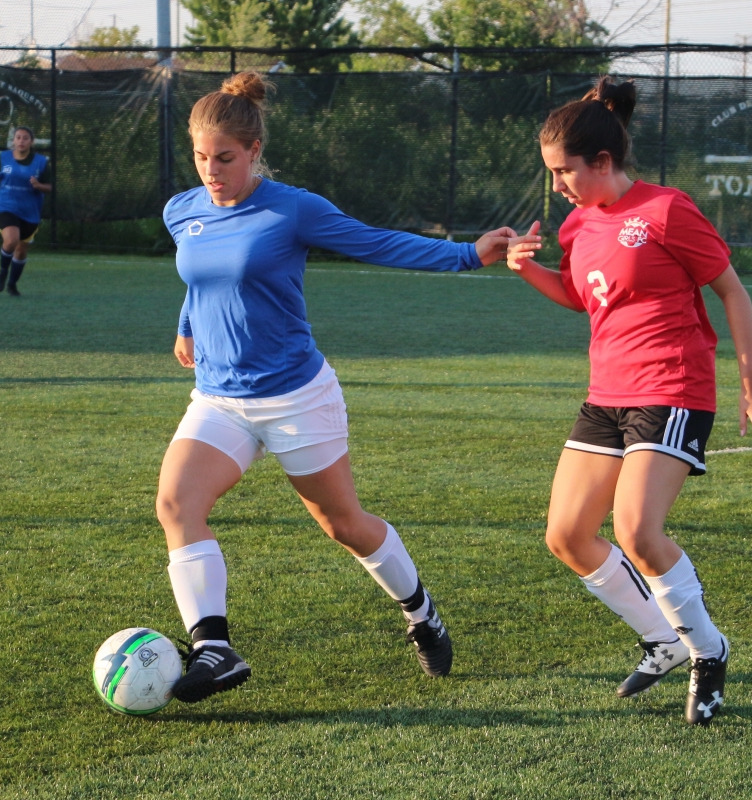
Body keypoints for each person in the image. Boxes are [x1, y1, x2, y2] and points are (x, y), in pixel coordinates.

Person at [159, 71, 514, 703]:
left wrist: (467, 254)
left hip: (296, 397)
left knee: (343, 523)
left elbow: (376, 243)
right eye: (201, 158)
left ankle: (421, 612)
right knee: (177, 506)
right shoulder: (182, 210)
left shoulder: (292, 209)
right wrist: (188, 325)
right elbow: (200, 278)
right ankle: (216, 648)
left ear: (254, 152)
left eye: (225, 158)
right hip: (219, 398)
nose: (211, 171)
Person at [505, 77, 752, 725]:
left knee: (636, 530)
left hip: (673, 388)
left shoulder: (667, 210)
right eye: (551, 172)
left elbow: (732, 292)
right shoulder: (578, 224)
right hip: (607, 395)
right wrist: (527, 269)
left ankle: (706, 650)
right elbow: (584, 297)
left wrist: (751, 384)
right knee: (567, 535)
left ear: (603, 161)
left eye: (564, 171)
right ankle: (663, 638)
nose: (557, 185)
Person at [0, 126, 52, 297]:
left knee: (21, 250)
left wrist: (39, 185)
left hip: (30, 211)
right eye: (18, 137)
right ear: (13, 140)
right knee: (11, 240)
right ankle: (3, 271)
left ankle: (12, 284)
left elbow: (49, 187)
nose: (21, 141)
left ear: (31, 141)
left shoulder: (41, 162)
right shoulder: (3, 157)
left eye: (25, 138)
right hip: (6, 206)